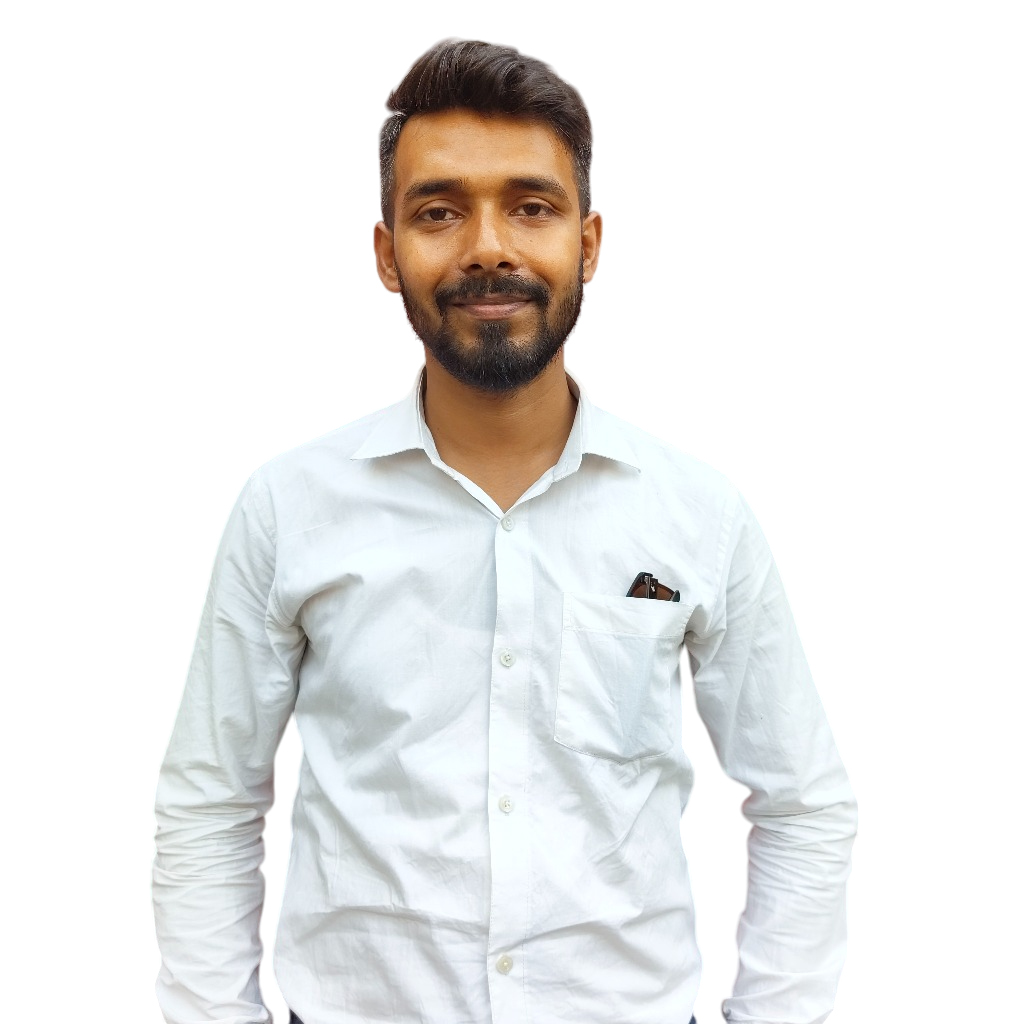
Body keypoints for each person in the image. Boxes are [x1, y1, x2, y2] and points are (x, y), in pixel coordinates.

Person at [153, 39, 857, 1024]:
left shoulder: (696, 514)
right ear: (386, 253)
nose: (488, 246)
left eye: (531, 207)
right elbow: (210, 803)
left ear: (589, 243)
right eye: (439, 211)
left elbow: (802, 803)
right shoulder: (289, 508)